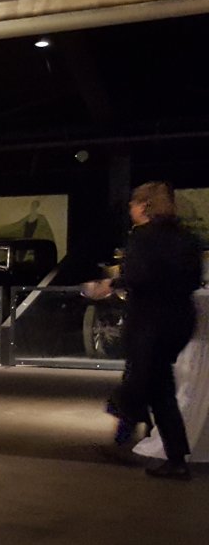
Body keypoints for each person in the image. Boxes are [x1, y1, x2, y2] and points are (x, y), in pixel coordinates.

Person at [84, 182, 203, 478]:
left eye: (134, 203)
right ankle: (175, 458)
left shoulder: (142, 237)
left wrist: (110, 284)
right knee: (160, 388)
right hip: (179, 320)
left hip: (149, 321)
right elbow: (193, 279)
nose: (130, 208)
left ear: (145, 205)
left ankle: (125, 419)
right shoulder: (187, 237)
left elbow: (137, 276)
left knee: (140, 383)